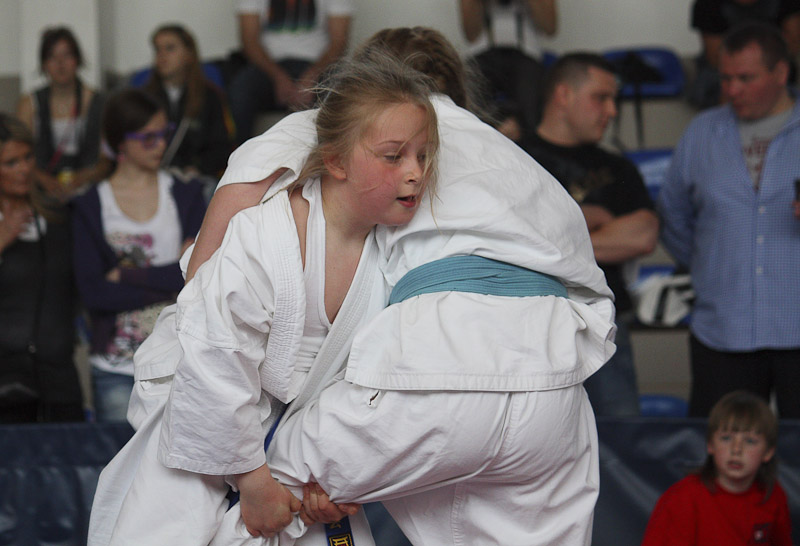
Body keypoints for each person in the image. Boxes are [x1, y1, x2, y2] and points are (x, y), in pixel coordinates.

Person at [196, 28, 613, 545]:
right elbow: (591, 286)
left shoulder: (351, 130)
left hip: (438, 368)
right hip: (554, 386)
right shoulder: (516, 158)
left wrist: (202, 296)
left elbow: (238, 199)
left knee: (271, 490)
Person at [88, 53, 440, 545]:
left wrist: (333, 474)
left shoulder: (394, 258)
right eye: (394, 156)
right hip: (203, 428)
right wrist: (251, 477)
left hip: (298, 450)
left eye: (424, 155)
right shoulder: (268, 234)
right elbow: (214, 354)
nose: (416, 172)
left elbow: (366, 384)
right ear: (336, 160)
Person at [658, 22, 800, 419]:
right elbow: (672, 214)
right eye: (725, 78)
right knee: (719, 448)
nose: (733, 89)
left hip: (796, 322)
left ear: (781, 73)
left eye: (746, 78)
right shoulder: (701, 132)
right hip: (723, 325)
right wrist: (711, 261)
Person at [521, 52, 659, 417]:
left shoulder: (618, 167)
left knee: (620, 441)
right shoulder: (515, 159)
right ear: (563, 95)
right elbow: (512, 241)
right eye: (601, 98)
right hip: (536, 325)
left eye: (614, 99)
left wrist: (553, 241)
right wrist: (594, 222)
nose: (612, 111)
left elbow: (643, 235)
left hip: (607, 325)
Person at [71, 89, 207, 422]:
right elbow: (95, 293)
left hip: (181, 362)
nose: (160, 144)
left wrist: (126, 275)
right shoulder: (89, 205)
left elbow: (200, 277)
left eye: (164, 133)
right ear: (120, 142)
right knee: (117, 456)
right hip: (116, 367)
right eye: (147, 138)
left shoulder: (186, 195)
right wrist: (171, 281)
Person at [0, 113, 84, 423]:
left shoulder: (59, 217)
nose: (24, 169)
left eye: (27, 158)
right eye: (11, 162)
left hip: (58, 376)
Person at [641, 390, 792, 545]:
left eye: (750, 441)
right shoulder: (681, 499)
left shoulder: (773, 495)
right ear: (710, 445)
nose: (736, 449)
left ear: (768, 452)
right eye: (726, 438)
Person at [227, 0, 353, 143]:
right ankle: (238, 153)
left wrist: (311, 78)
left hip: (319, 66)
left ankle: (333, 154)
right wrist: (278, 77)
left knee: (341, 91)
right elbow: (249, 41)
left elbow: (339, 43)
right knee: (241, 89)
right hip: (267, 66)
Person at [16, 26, 104, 200]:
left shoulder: (98, 101)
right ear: (43, 64)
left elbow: (107, 159)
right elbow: (17, 157)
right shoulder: (29, 104)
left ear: (77, 59)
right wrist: (44, 180)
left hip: (89, 189)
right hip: (42, 192)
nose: (60, 63)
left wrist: (83, 178)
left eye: (67, 55)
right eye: (52, 57)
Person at [141, 24, 234, 182]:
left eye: (170, 48)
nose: (162, 56)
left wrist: (198, 168)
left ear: (189, 54)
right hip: (153, 179)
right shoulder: (143, 98)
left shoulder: (211, 97)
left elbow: (222, 147)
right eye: (157, 49)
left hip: (197, 179)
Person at [458, 0, 557, 141]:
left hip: (526, 53)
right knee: (472, 99)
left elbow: (550, 28)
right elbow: (470, 34)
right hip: (482, 54)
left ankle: (531, 146)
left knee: (530, 103)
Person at [689, 0, 800, 108]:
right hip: (721, 70)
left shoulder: (787, 2)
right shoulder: (708, 4)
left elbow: (793, 45)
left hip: (770, 64)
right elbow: (715, 59)